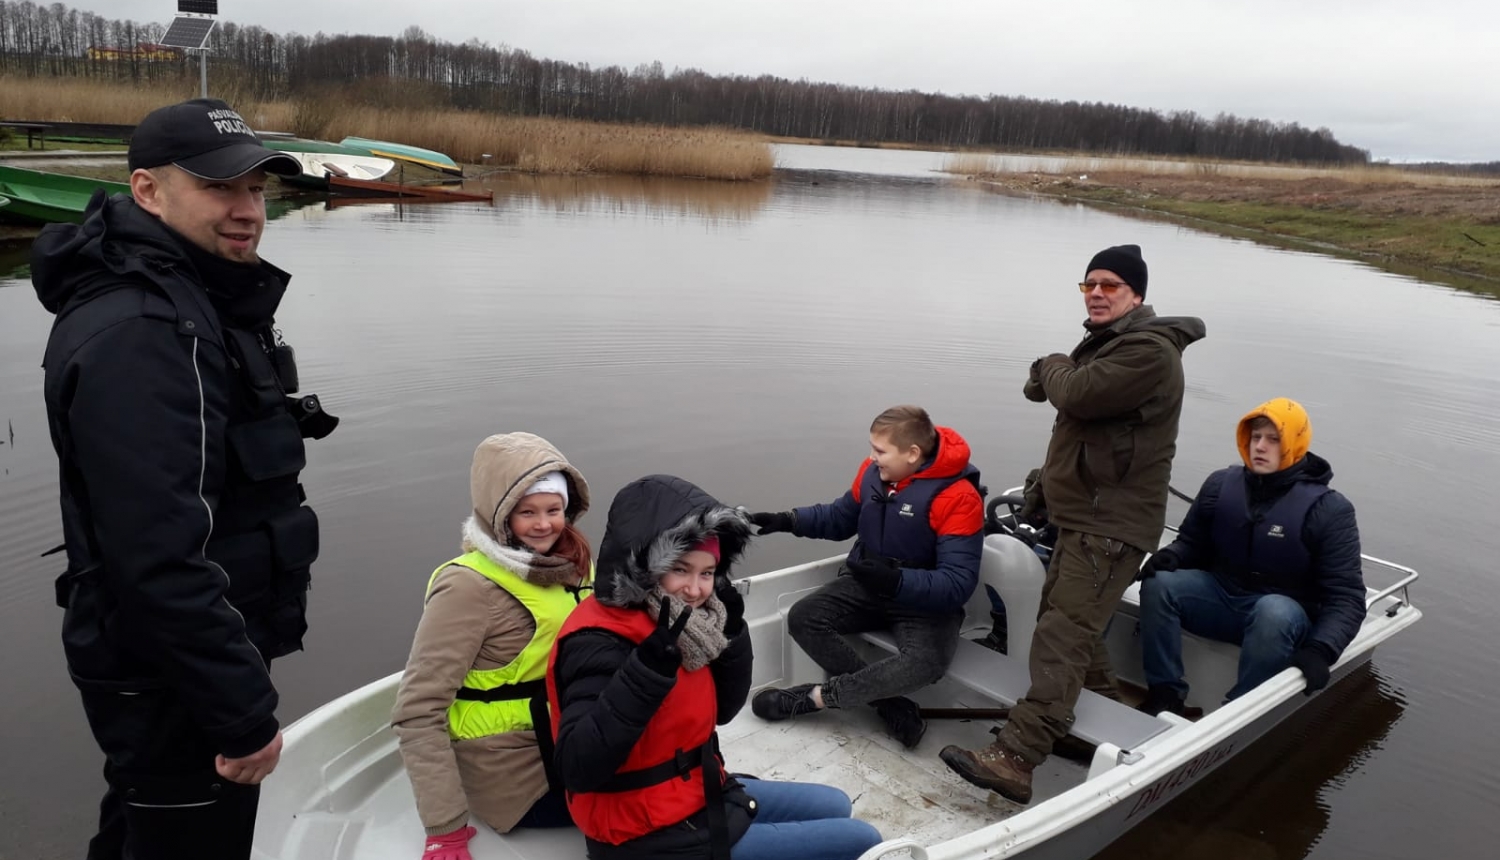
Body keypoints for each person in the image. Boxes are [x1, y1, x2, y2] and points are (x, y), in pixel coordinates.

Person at [31, 98, 330, 859]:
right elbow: (159, 557)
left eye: (258, 190)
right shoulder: (144, 333)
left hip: (178, 664)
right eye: (220, 188)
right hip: (172, 676)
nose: (246, 210)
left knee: (144, 820)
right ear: (147, 190)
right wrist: (239, 713)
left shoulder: (191, 300)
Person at [941, 244, 1205, 804]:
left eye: (1110, 285)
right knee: (1068, 626)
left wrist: (1050, 363)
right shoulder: (1111, 348)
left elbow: (1074, 394)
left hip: (1111, 527)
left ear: (1136, 294)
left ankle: (1017, 756)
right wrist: (1041, 492)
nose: (1097, 293)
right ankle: (1100, 725)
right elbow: (1081, 437)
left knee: (1062, 634)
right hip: (1084, 516)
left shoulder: (1150, 353)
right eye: (1089, 284)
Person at [546, 475, 883, 860]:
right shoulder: (598, 642)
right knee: (862, 839)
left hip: (691, 790)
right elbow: (576, 767)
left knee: (836, 803)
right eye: (682, 570)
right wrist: (644, 674)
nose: (695, 589)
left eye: (707, 573)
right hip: (641, 832)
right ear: (644, 566)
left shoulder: (689, 623)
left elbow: (722, 711)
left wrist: (734, 636)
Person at [392, 433, 594, 859]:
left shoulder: (575, 564)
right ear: (498, 515)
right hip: (520, 779)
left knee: (692, 772)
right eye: (527, 512)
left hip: (578, 741)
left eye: (554, 510)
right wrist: (444, 828)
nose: (544, 525)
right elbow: (417, 710)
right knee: (669, 797)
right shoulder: (468, 587)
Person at [745, 405, 985, 749]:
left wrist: (898, 582)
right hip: (868, 586)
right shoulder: (872, 473)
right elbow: (840, 518)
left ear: (912, 453)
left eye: (881, 451)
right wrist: (789, 520)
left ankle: (815, 698)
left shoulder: (959, 498)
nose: (872, 458)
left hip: (924, 604)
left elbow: (958, 582)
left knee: (925, 663)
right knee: (804, 617)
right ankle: (889, 704)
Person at [1137, 398, 1366, 713]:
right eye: (1255, 437)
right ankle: (1165, 695)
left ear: (1294, 443)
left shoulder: (1330, 510)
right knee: (1160, 584)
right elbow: (1192, 542)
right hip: (1223, 597)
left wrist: (1320, 650)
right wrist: (1174, 556)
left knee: (1273, 611)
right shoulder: (1220, 485)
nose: (1260, 446)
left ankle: (1238, 710)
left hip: (1282, 619)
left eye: (1273, 440)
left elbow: (1348, 597)